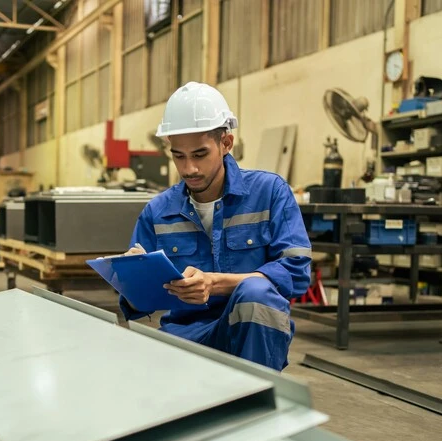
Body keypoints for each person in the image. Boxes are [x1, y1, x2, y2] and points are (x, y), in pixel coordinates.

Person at [120, 82, 311, 372]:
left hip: (251, 334)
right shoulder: (157, 212)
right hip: (184, 336)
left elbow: (296, 273)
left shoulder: (269, 193)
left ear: (226, 143)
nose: (189, 169)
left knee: (256, 295)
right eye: (178, 156)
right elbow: (137, 307)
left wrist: (214, 283)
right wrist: (132, 278)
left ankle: (257, 400)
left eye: (199, 154)